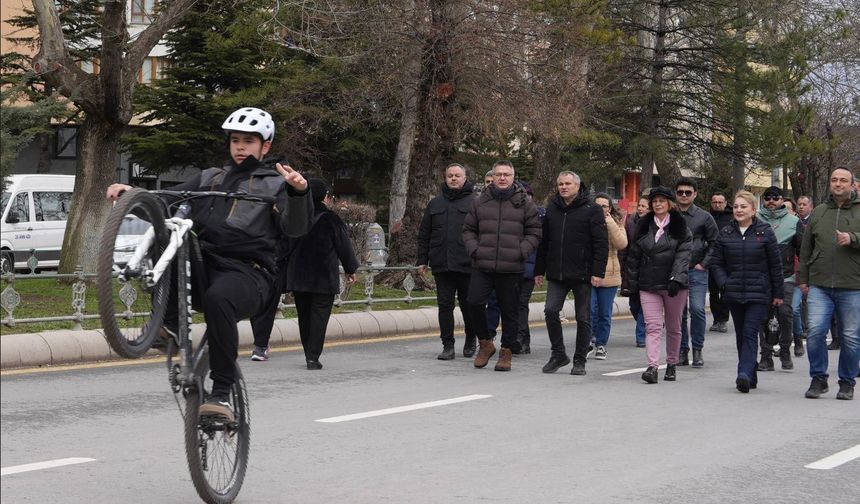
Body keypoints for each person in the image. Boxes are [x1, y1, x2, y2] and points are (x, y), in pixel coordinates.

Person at [106, 107, 313, 420]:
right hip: (204, 266)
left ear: (265, 146)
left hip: (249, 275)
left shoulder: (276, 184)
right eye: (235, 140)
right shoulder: (209, 177)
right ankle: (171, 325)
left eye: (248, 141)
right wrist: (133, 195)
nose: (240, 147)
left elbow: (295, 228)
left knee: (220, 298)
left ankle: (221, 395)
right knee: (176, 233)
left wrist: (299, 193)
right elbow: (165, 201)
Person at [463, 160, 542, 372]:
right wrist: (475, 249)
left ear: (513, 177)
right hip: (483, 264)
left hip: (511, 266)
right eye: (499, 174)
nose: (502, 178)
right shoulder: (480, 201)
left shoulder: (525, 202)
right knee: (473, 303)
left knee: (510, 311)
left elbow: (534, 232)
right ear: (493, 176)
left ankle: (506, 351)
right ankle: (486, 343)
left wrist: (521, 251)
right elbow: (468, 229)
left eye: (506, 174)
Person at [534, 171, 608, 375]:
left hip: (583, 273)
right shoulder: (552, 209)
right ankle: (558, 354)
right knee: (550, 311)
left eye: (568, 183)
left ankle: (580, 359)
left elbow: (601, 243)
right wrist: (539, 270)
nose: (564, 187)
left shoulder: (592, 209)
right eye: (560, 184)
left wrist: (598, 271)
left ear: (577, 185)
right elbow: (544, 242)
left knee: (583, 317)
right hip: (557, 272)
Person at [709, 191, 784, 393]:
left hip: (759, 293)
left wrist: (778, 293)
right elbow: (716, 263)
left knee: (750, 332)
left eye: (743, 206)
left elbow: (775, 265)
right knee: (741, 335)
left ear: (753, 209)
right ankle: (751, 374)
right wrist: (724, 282)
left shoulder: (765, 232)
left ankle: (742, 372)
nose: (739, 210)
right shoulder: (725, 233)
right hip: (734, 292)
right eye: (736, 206)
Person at [798, 167, 860, 400]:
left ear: (852, 184)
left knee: (851, 337)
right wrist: (803, 279)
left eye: (843, 180)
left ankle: (846, 382)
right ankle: (818, 379)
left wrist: (852, 238)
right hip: (820, 284)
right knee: (814, 332)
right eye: (834, 180)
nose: (838, 184)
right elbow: (806, 249)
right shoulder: (820, 212)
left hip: (853, 285)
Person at [284, 178, 359, 370]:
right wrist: (351, 269)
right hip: (323, 278)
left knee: (304, 316)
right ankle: (313, 356)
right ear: (325, 197)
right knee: (319, 317)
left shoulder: (297, 217)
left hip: (299, 276)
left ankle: (308, 352)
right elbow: (344, 247)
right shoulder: (331, 219)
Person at [626, 187, 692, 384]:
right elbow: (633, 257)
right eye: (654, 201)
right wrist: (631, 284)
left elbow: (683, 256)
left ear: (670, 204)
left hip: (673, 285)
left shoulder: (681, 227)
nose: (658, 204)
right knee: (653, 326)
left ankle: (671, 363)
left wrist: (676, 279)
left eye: (662, 200)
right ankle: (652, 366)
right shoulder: (643, 226)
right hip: (649, 283)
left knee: (673, 326)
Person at [416, 163, 478, 360]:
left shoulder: (476, 202)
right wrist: (422, 260)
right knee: (445, 306)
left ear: (464, 178)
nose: (453, 178)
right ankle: (447, 345)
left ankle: (471, 339)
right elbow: (424, 234)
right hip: (442, 264)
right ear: (445, 178)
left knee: (469, 306)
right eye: (450, 175)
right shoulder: (435, 203)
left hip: (467, 264)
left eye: (457, 175)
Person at [755, 186, 802, 372]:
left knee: (784, 312)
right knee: (761, 316)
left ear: (782, 199)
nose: (771, 201)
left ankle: (784, 350)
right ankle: (765, 356)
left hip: (786, 276)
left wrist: (804, 275)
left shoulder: (793, 221)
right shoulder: (755, 220)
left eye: (775, 197)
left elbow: (802, 250)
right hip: (761, 277)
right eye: (767, 198)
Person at [675, 177, 719, 367]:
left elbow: (715, 243)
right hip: (676, 270)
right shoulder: (669, 214)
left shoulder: (704, 217)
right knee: (679, 313)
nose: (684, 196)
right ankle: (682, 351)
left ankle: (698, 350)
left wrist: (704, 264)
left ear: (695, 194)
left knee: (697, 309)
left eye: (688, 192)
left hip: (697, 270)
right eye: (680, 192)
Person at [590, 193, 627, 360]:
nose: (600, 209)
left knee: (604, 312)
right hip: (589, 273)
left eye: (604, 206)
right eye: (597, 205)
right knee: (589, 310)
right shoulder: (587, 221)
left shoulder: (616, 223)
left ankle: (601, 344)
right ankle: (588, 340)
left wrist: (609, 221)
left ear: (610, 208)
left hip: (610, 275)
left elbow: (622, 244)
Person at [620, 194, 650, 347]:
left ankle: (641, 336)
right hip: (632, 267)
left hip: (650, 268)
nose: (640, 208)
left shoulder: (655, 223)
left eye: (644, 206)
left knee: (645, 304)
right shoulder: (630, 222)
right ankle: (650, 322)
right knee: (634, 304)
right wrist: (622, 266)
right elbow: (625, 246)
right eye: (640, 206)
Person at [708, 191, 733, 333]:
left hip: (728, 261)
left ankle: (723, 319)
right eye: (715, 202)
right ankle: (716, 319)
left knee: (725, 291)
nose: (717, 205)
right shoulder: (707, 216)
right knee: (713, 292)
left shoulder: (732, 217)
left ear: (725, 203)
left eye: (720, 202)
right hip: (712, 260)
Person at [791, 195, 813, 355]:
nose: (801, 207)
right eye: (798, 204)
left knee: (795, 308)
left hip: (799, 274)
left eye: (804, 204)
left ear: (811, 207)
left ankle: (799, 335)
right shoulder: (789, 225)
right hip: (784, 273)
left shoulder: (811, 224)